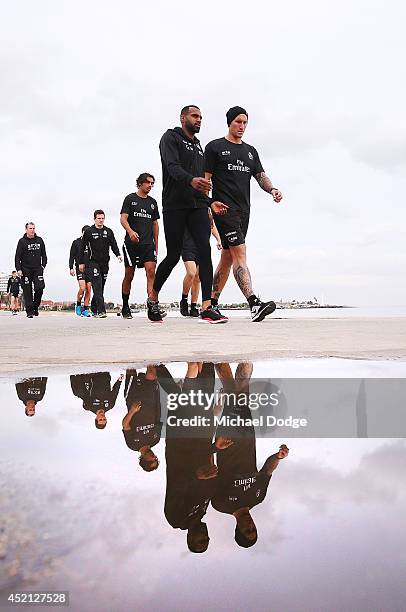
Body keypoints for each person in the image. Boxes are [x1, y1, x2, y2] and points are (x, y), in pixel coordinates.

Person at [148, 105, 229, 324]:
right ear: (183, 118)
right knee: (173, 255)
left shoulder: (198, 146)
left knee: (205, 252)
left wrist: (210, 202)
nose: (199, 120)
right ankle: (153, 298)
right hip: (175, 205)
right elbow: (172, 167)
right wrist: (191, 180)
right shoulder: (170, 138)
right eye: (195, 116)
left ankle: (206, 308)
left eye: (201, 117)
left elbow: (202, 183)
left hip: (197, 206)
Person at [205, 106, 283, 322]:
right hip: (224, 210)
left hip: (244, 211)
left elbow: (260, 176)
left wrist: (272, 189)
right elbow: (204, 181)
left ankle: (211, 304)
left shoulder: (250, 151)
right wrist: (210, 203)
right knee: (240, 254)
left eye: (245, 122)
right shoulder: (215, 148)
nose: (242, 126)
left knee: (228, 258)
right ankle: (254, 303)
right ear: (229, 122)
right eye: (238, 122)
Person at [212, 362, 289, 547]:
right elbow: (268, 470)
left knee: (233, 395)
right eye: (254, 529)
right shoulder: (258, 496)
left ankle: (221, 354)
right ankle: (240, 357)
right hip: (247, 434)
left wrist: (215, 447)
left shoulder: (220, 504)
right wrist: (278, 457)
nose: (251, 526)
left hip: (227, 438)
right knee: (241, 396)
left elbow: (206, 472)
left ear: (237, 530)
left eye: (247, 530)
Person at [120, 173, 160, 319]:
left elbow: (155, 224)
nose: (150, 185)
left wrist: (156, 244)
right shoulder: (130, 199)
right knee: (129, 275)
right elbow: (123, 219)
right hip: (131, 244)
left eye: (152, 183)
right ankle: (125, 305)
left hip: (148, 244)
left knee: (151, 272)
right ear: (140, 183)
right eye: (148, 182)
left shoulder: (153, 202)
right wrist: (130, 232)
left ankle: (152, 306)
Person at [79, 210, 122, 318]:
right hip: (93, 263)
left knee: (101, 287)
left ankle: (93, 308)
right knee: (97, 286)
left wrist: (118, 255)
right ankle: (101, 311)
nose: (101, 220)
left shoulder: (108, 231)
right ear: (94, 219)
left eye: (102, 218)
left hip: (105, 263)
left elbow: (114, 244)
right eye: (99, 218)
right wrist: (81, 262)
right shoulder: (89, 231)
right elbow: (82, 247)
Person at [180, 209, 222, 318]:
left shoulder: (207, 210)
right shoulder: (187, 205)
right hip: (187, 245)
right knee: (191, 273)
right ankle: (184, 300)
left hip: (202, 246)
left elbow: (211, 226)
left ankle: (193, 306)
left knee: (198, 277)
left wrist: (218, 239)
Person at [121, 366, 162, 471]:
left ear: (143, 460)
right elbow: (158, 416)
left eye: (151, 461)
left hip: (132, 399)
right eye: (156, 459)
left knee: (131, 369)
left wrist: (132, 411)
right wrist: (157, 397)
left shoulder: (132, 445)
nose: (154, 457)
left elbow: (125, 425)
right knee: (152, 371)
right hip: (150, 399)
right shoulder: (155, 439)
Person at [15, 222, 47, 318]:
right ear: (26, 230)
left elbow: (44, 255)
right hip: (25, 269)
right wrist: (19, 269)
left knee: (40, 288)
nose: (32, 230)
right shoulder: (21, 241)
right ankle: (29, 311)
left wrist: (43, 266)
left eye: (33, 228)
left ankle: (35, 307)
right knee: (27, 291)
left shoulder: (40, 240)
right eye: (30, 228)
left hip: (37, 269)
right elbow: (17, 257)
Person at [69, 225, 92, 317]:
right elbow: (71, 256)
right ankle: (78, 305)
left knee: (89, 289)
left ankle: (85, 309)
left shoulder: (91, 243)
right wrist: (71, 268)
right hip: (80, 268)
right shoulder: (76, 242)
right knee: (83, 288)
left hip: (90, 268)